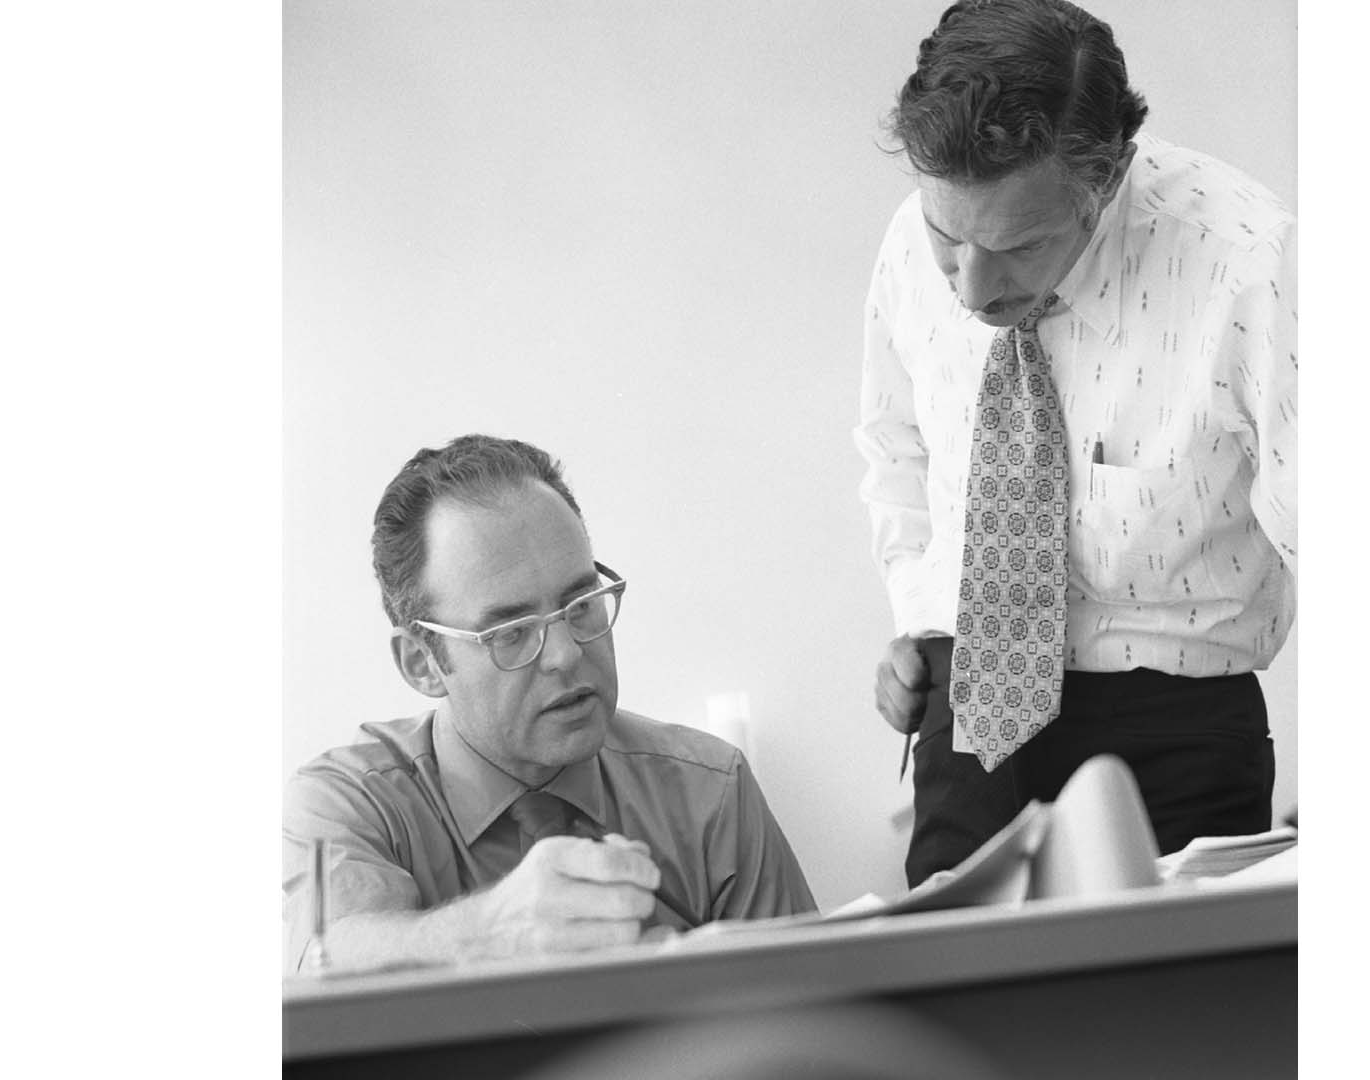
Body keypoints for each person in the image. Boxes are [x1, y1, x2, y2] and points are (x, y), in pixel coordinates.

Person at [855, 0, 1297, 886]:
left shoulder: (1247, 264)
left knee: (1158, 1015)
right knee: (960, 996)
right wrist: (923, 613)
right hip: (968, 704)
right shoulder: (913, 241)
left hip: (1171, 726)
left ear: (1108, 176)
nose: (973, 288)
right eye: (951, 238)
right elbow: (894, 449)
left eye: (1018, 245)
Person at [282, 435, 815, 972]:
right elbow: (327, 960)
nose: (564, 654)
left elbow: (810, 1019)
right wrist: (487, 934)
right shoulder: (347, 803)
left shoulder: (711, 793)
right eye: (511, 632)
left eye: (581, 605)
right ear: (423, 663)